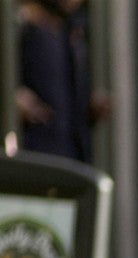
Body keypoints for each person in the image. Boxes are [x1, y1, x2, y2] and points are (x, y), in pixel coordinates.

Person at [15, 0, 99, 162]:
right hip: (30, 160)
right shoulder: (19, 26)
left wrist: (88, 105)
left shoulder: (72, 32)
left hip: (69, 157)